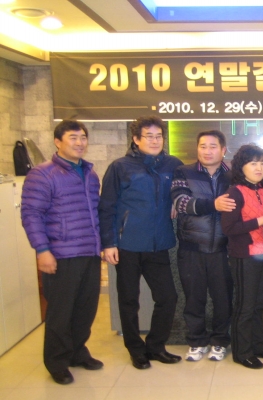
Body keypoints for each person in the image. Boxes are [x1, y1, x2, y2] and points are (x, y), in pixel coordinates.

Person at [99, 115, 184, 370]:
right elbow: (107, 207)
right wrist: (108, 243)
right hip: (127, 244)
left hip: (158, 244)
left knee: (168, 298)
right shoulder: (120, 167)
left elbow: (187, 187)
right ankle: (136, 350)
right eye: (149, 136)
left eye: (159, 136)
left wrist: (176, 202)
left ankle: (156, 346)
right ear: (136, 139)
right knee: (129, 301)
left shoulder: (173, 164)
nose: (155, 141)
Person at [21, 120, 102, 385]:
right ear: (58, 142)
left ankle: (77, 352)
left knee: (85, 309)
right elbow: (31, 214)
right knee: (60, 312)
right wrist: (42, 250)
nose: (80, 143)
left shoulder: (90, 174)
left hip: (89, 252)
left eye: (83, 138)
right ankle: (57, 362)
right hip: (61, 254)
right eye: (73, 138)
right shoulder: (43, 174)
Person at [170, 130, 235, 362]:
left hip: (224, 248)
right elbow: (181, 202)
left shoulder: (234, 175)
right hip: (192, 247)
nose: (207, 151)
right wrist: (213, 204)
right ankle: (196, 341)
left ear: (223, 150)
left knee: (223, 299)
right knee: (193, 298)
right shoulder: (183, 172)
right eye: (203, 146)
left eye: (213, 146)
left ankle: (220, 342)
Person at [221, 144, 263, 369]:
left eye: (262, 163)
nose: (258, 168)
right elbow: (229, 228)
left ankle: (257, 345)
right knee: (245, 306)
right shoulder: (234, 192)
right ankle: (242, 352)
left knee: (258, 304)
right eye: (253, 163)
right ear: (242, 166)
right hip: (244, 256)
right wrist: (261, 220)